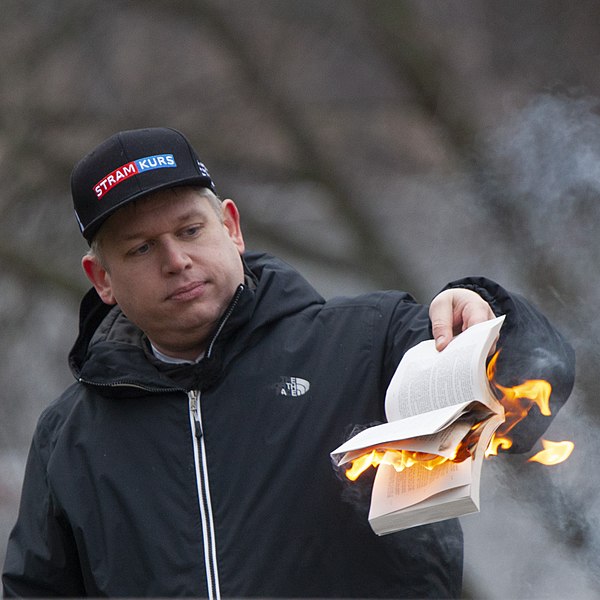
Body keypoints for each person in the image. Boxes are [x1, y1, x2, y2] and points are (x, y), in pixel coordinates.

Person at [2, 127, 575, 599]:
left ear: (231, 228)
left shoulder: (368, 343)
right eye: (141, 248)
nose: (176, 260)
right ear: (101, 279)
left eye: (190, 230)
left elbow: (531, 382)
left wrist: (488, 314)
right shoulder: (69, 436)